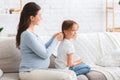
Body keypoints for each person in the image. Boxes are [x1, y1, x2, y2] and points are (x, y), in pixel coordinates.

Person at [16, 2, 77, 80]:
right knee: (67, 77)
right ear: (32, 18)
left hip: (37, 71)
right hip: (29, 72)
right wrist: (56, 40)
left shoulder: (32, 34)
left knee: (72, 73)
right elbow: (45, 54)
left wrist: (53, 38)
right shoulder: (27, 35)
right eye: (39, 15)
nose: (41, 18)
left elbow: (42, 49)